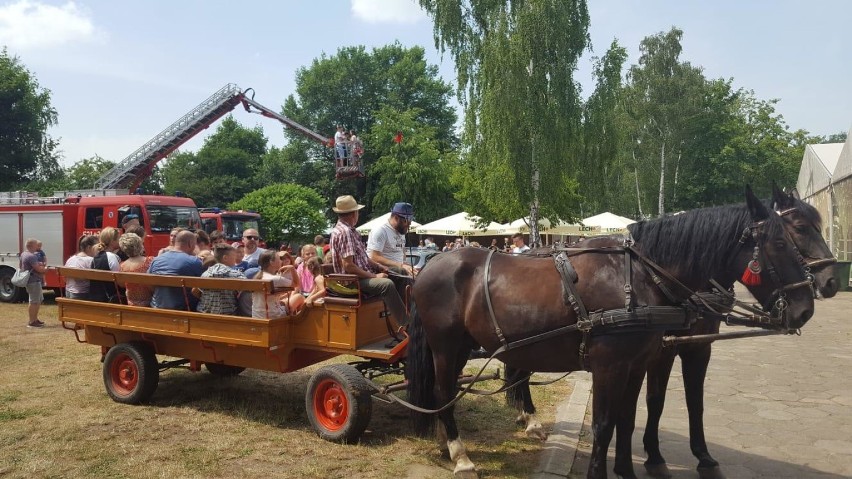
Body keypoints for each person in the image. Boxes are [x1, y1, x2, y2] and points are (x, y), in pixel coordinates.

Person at [330, 195, 409, 328]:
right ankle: (406, 324)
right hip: (352, 282)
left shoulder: (350, 231)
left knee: (399, 272)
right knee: (386, 284)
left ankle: (404, 313)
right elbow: (349, 267)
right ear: (353, 214)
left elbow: (365, 258)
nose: (358, 214)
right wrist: (375, 276)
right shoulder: (345, 232)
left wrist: (379, 266)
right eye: (357, 212)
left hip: (361, 276)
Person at [148, 230, 203, 310]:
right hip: (184, 309)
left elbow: (149, 283)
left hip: (158, 307)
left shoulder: (157, 259)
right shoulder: (194, 261)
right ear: (190, 244)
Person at [366, 202, 416, 277]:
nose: (410, 223)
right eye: (407, 220)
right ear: (396, 218)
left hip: (399, 269)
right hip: (383, 271)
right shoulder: (381, 230)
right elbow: (374, 257)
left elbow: (402, 251)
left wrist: (406, 264)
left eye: (411, 219)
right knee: (403, 272)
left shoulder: (401, 230)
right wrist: (401, 265)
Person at [251, 250, 302, 319]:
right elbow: (297, 284)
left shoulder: (257, 277)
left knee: (286, 301)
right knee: (299, 297)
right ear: (272, 263)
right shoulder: (275, 279)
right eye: (279, 259)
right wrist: (292, 268)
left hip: (257, 315)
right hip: (273, 316)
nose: (281, 261)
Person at [197, 244, 246, 315]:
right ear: (225, 258)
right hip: (228, 314)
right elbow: (249, 292)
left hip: (205, 314)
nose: (235, 258)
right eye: (234, 256)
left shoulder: (205, 273)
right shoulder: (235, 274)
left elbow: (195, 291)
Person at [119, 234, 154, 306]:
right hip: (149, 303)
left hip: (131, 303)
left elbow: (122, 285)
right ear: (140, 245)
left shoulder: (122, 266)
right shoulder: (150, 261)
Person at [90, 228, 123, 303]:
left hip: (97, 297)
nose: (120, 240)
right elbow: (119, 280)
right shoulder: (112, 257)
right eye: (118, 238)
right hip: (110, 299)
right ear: (112, 241)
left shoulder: (96, 256)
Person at [20, 238, 47, 327]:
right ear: (32, 245)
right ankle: (32, 322)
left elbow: (21, 266)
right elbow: (38, 269)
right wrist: (45, 270)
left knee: (38, 300)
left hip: (34, 280)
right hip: (33, 281)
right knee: (33, 301)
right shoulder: (31, 256)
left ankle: (35, 319)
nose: (38, 246)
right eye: (36, 244)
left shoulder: (24, 254)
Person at [64, 235, 99, 300]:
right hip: (83, 294)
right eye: (97, 247)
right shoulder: (91, 260)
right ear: (89, 247)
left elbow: (65, 279)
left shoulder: (71, 259)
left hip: (68, 292)